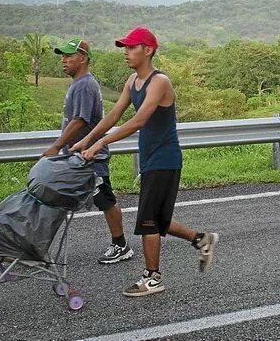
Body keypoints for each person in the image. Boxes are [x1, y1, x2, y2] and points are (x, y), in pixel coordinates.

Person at [71, 27, 220, 297]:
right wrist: (88, 139)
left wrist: (101, 143)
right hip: (151, 157)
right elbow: (114, 115)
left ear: (148, 50)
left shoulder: (159, 81)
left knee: (148, 219)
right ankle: (201, 239)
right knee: (159, 220)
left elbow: (139, 121)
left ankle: (153, 278)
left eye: (131, 47)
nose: (126, 52)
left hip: (165, 158)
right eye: (124, 48)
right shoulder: (132, 81)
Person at [42, 38, 133, 265]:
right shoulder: (79, 83)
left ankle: (121, 245)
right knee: (59, 198)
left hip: (90, 157)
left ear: (83, 58)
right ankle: (40, 246)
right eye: (62, 56)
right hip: (76, 157)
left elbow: (80, 121)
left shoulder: (84, 85)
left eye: (69, 56)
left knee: (105, 199)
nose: (63, 60)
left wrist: (55, 145)